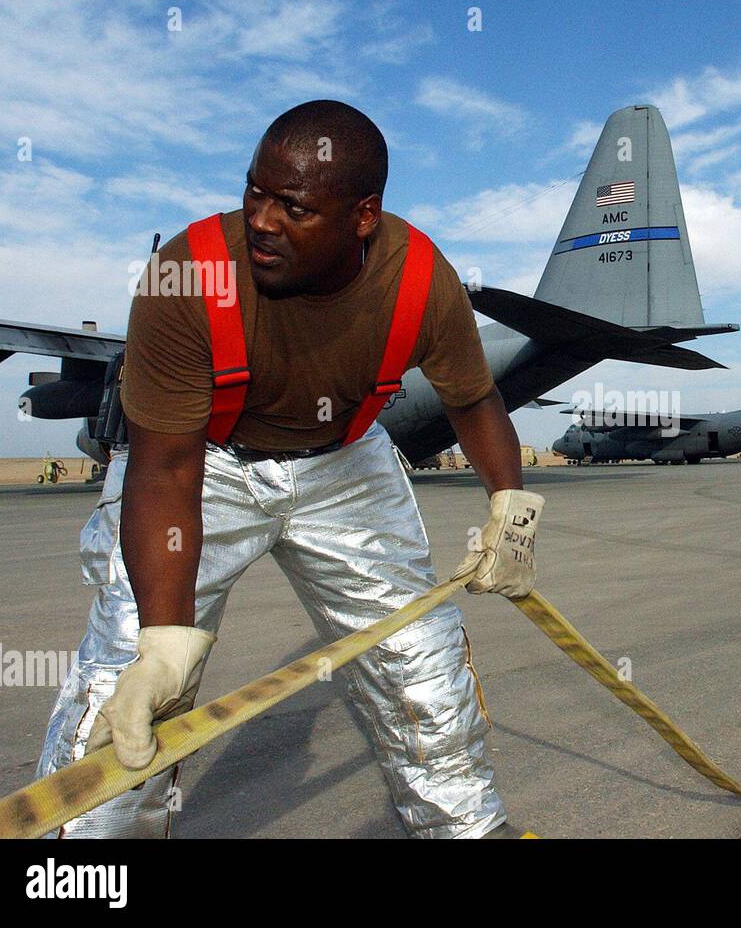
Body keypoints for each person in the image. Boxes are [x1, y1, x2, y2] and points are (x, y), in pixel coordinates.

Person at [36, 100, 542, 839]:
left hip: (345, 466)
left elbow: (474, 398)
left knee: (422, 672)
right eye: (255, 193)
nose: (263, 221)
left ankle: (466, 831)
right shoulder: (185, 276)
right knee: (128, 693)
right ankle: (83, 870)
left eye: (293, 207)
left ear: (363, 216)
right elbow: (163, 468)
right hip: (205, 462)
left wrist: (512, 505)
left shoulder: (421, 279)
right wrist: (167, 638)